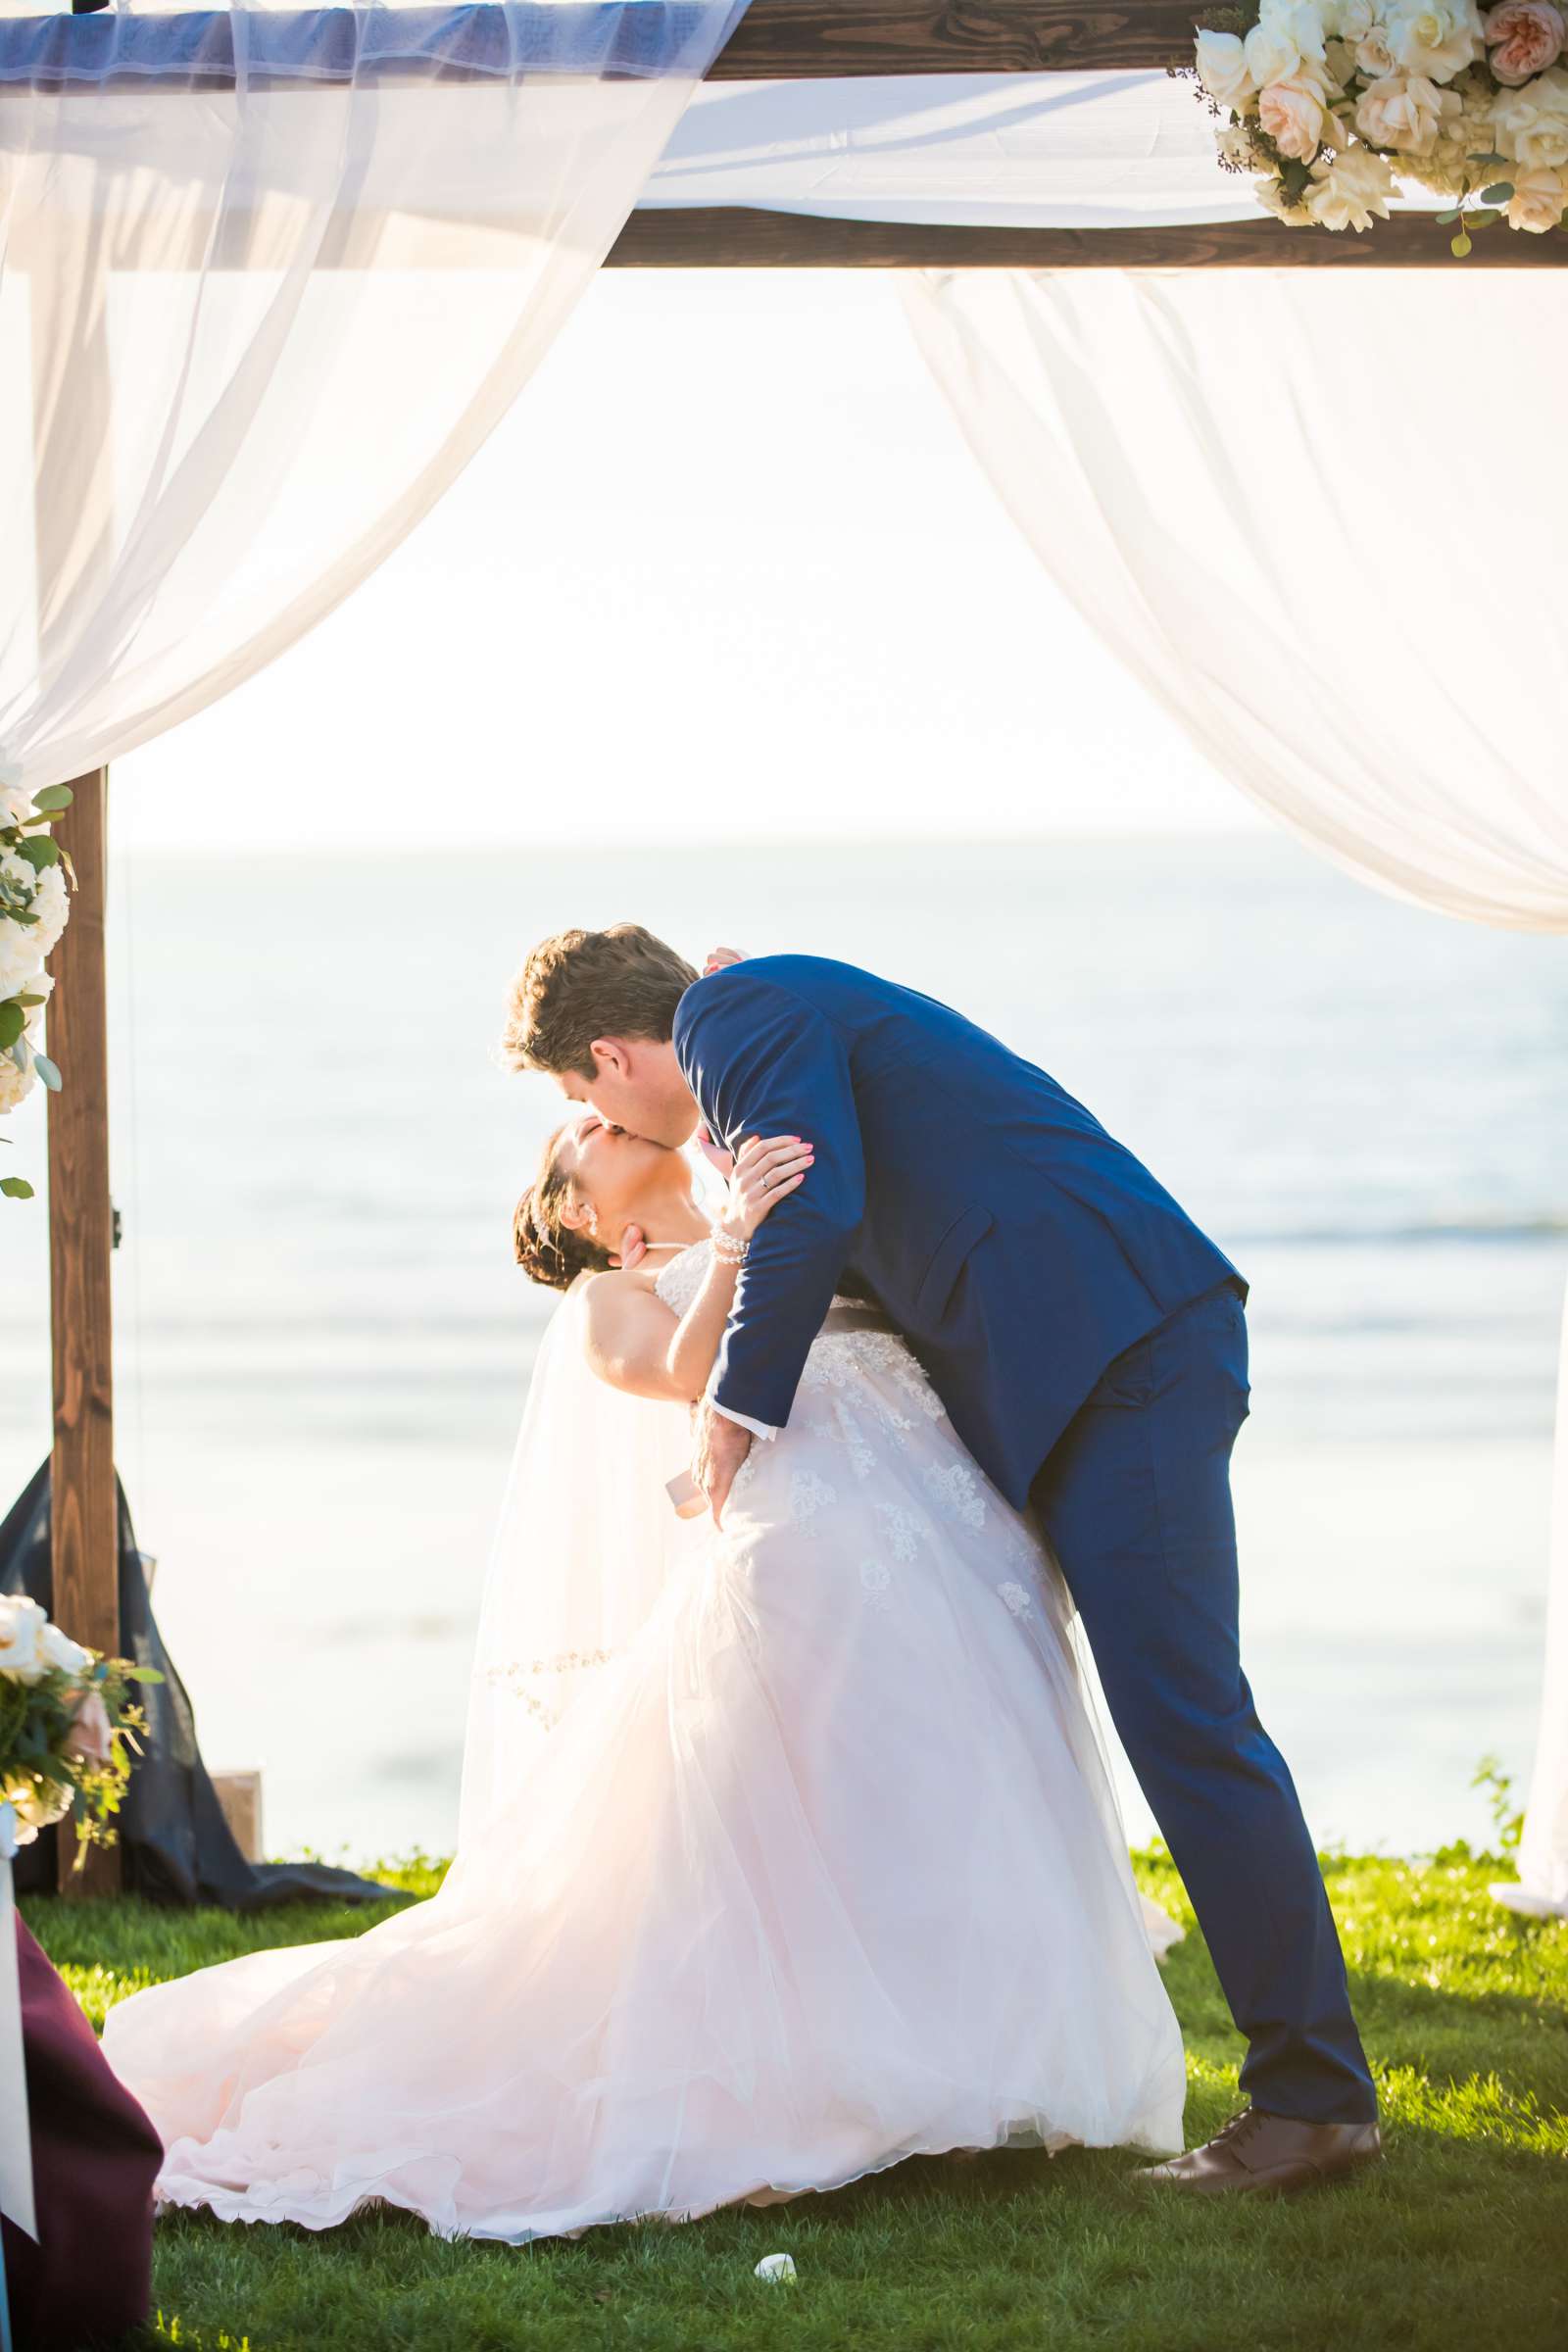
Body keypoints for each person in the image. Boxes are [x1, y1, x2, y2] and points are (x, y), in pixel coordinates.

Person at [102, 1102, 1187, 2240]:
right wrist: (736, 1240)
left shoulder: (752, 1193)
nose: (600, 1119)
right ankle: (842, 2076)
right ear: (579, 1209)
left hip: (931, 1499)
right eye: (586, 1137)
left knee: (952, 1775)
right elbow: (679, 1368)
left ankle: (975, 2062)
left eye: (604, 1113)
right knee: (808, 1803)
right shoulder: (605, 1298)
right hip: (806, 1528)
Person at [501, 925, 1380, 2197]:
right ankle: (1289, 2088)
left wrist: (733, 1416)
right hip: (1079, 1372)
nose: (603, 1118)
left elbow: (821, 1202)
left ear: (608, 1054)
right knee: (1168, 1720)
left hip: (1121, 1358)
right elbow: (831, 1202)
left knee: (1188, 1719)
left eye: (586, 1098)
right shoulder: (756, 1029)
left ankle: (1313, 2101)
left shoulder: (736, 1017)